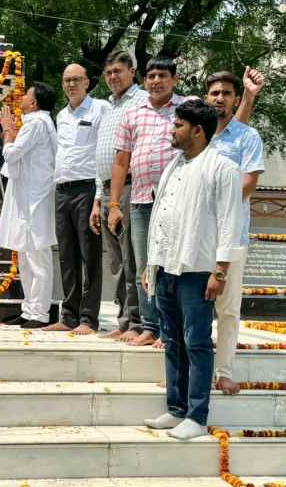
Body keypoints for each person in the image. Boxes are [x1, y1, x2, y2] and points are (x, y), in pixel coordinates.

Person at [108, 59, 261, 347]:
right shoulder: (146, 117)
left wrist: (250, 96)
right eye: (150, 75)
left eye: (162, 75)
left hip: (209, 221)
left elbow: (232, 132)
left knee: (211, 297)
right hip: (152, 202)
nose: (156, 81)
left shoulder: (213, 122)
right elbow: (120, 160)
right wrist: (112, 202)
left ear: (175, 79)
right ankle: (154, 329)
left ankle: (211, 362)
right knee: (153, 271)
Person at [143, 100, 243, 441]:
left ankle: (197, 416)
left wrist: (220, 272)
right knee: (171, 340)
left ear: (197, 131)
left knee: (196, 342)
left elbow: (231, 222)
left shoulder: (222, 167)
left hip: (198, 269)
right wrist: (151, 264)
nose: (172, 131)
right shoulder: (174, 164)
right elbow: (160, 216)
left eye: (178, 126)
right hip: (166, 266)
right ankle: (176, 409)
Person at [206, 71, 265, 395]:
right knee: (193, 309)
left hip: (232, 239)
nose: (220, 98)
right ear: (206, 97)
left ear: (234, 98)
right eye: (214, 92)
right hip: (197, 239)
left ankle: (223, 372)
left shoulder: (247, 137)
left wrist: (216, 207)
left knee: (227, 310)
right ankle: (188, 373)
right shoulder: (198, 136)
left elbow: (249, 182)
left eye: (226, 93)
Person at [90, 51, 147, 342]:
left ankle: (138, 322)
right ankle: (124, 321)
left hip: (130, 187)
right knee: (115, 262)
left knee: (132, 260)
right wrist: (99, 198)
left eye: (118, 71)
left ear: (132, 72)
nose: (113, 77)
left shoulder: (142, 101)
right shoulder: (108, 107)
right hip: (108, 189)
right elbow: (103, 157)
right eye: (109, 72)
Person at [44, 64, 106, 335]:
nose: (71, 85)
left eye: (76, 80)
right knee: (67, 255)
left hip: (87, 188)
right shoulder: (61, 114)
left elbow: (104, 151)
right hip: (62, 189)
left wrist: (101, 195)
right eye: (66, 80)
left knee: (89, 254)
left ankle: (88, 318)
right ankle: (68, 315)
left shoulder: (99, 109)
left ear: (87, 82)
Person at [0, 83, 58, 329]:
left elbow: (13, 154)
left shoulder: (35, 123)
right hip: (30, 196)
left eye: (27, 95)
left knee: (36, 255)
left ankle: (40, 313)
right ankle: (29, 308)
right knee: (25, 253)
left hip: (35, 198)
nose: (22, 98)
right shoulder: (40, 121)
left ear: (34, 103)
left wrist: (8, 136)